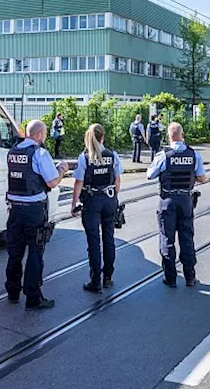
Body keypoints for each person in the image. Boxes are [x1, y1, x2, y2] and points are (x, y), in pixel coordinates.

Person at [5, 119, 69, 310]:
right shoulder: (40, 153)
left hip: (14, 210)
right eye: (45, 134)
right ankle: (33, 298)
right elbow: (51, 182)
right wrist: (62, 170)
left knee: (14, 253)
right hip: (33, 210)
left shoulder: (13, 152)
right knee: (35, 253)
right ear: (39, 135)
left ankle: (13, 292)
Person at [146, 122, 206, 287]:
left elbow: (150, 175)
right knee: (187, 238)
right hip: (186, 201)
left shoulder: (163, 155)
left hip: (168, 201)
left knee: (167, 238)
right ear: (183, 134)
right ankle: (190, 277)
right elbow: (202, 178)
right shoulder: (194, 154)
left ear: (168, 136)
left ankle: (171, 278)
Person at [71, 123, 123, 293]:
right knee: (109, 238)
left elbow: (78, 182)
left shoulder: (84, 157)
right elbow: (117, 179)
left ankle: (95, 282)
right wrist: (114, 197)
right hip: (109, 200)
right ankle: (108, 277)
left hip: (92, 202)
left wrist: (74, 204)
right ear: (103, 137)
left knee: (93, 242)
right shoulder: (112, 155)